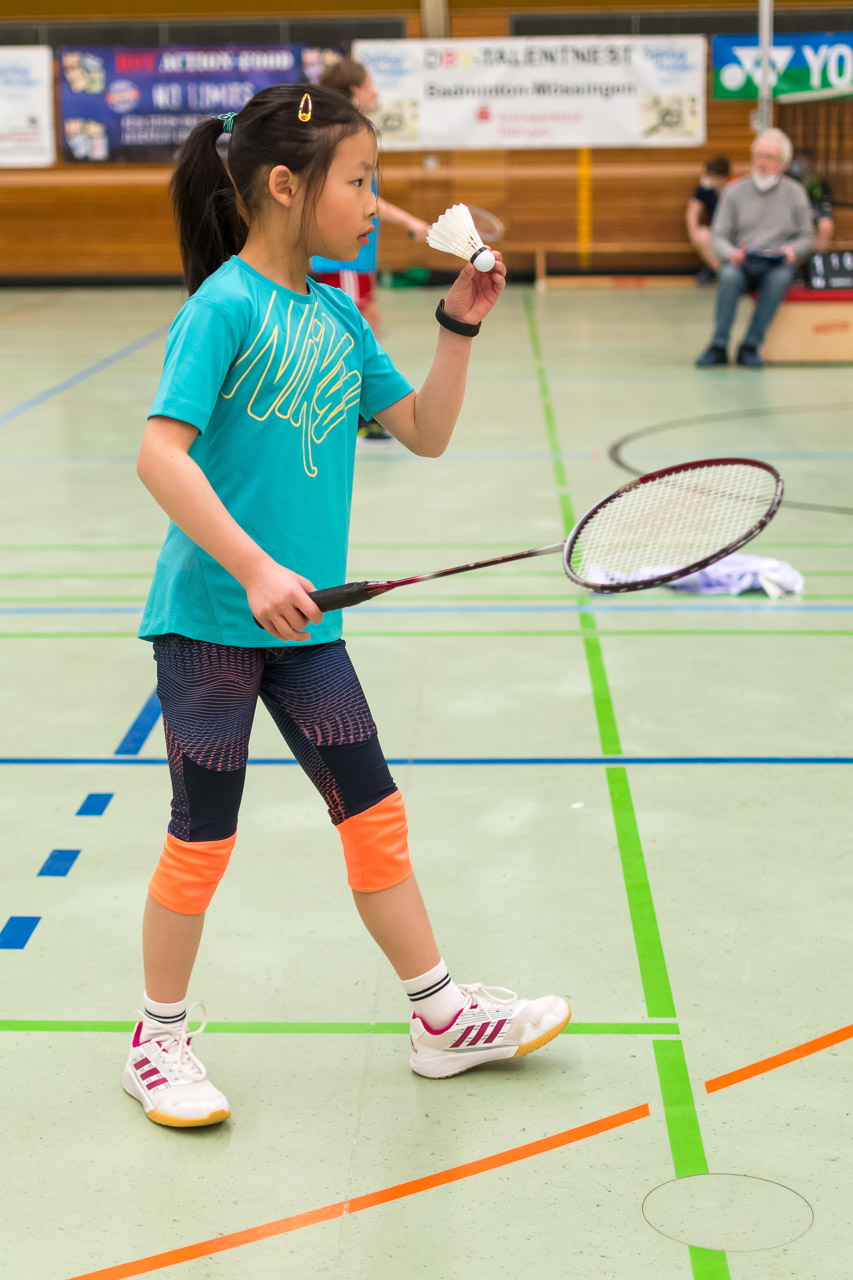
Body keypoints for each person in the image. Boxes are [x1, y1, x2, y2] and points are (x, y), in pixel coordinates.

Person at [124, 84, 569, 1128]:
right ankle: (157, 1036)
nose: (375, 203)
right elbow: (158, 455)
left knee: (373, 816)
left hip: (306, 628)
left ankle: (438, 1016)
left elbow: (423, 431)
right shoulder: (224, 307)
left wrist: (458, 326)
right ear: (286, 185)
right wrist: (253, 569)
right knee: (203, 836)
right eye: (360, 181)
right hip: (210, 625)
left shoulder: (336, 315)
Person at [312, 57, 431, 445]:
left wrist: (411, 223)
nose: (376, 92)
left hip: (357, 260)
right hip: (343, 258)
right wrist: (412, 222)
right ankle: (355, 414)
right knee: (353, 334)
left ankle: (360, 411)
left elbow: (368, 198)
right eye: (370, 85)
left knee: (366, 326)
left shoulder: (349, 136)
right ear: (354, 92)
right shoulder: (342, 138)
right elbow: (363, 200)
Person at [695, 128, 814, 368]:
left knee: (779, 280)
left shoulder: (795, 193)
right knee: (728, 277)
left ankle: (750, 346)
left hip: (777, 265)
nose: (762, 162)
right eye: (759, 155)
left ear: (783, 163)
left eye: (769, 157)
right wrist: (730, 253)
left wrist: (792, 251)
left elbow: (807, 236)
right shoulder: (734, 191)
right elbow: (718, 234)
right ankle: (718, 345)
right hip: (742, 262)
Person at [685, 156, 731, 283]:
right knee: (702, 235)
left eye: (712, 175)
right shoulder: (704, 188)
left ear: (722, 177)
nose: (708, 178)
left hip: (732, 233)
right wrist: (693, 233)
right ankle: (722, 273)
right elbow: (692, 212)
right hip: (714, 231)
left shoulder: (734, 188)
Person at [790, 146, 834, 255]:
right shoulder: (791, 183)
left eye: (803, 161)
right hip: (795, 214)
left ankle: (816, 258)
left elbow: (825, 207)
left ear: (811, 163)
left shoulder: (821, 184)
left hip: (815, 212)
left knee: (825, 226)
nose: (799, 164)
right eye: (797, 161)